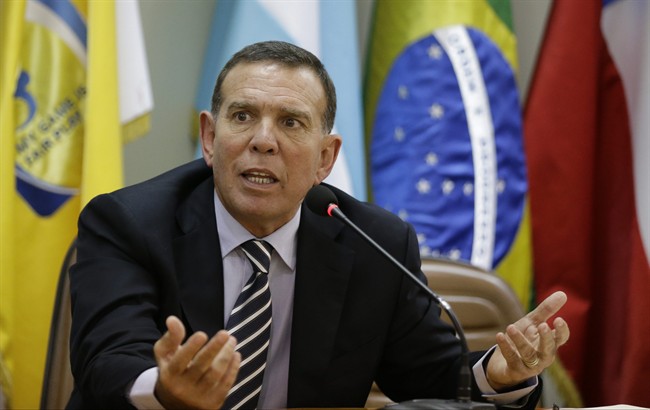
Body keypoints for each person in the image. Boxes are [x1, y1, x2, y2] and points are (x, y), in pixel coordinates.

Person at [67, 41, 569, 409]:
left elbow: (432, 377)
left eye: (290, 122)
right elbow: (106, 363)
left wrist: (500, 374)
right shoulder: (128, 223)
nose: (263, 141)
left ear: (326, 158)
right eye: (242, 116)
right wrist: (164, 389)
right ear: (209, 136)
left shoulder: (376, 243)